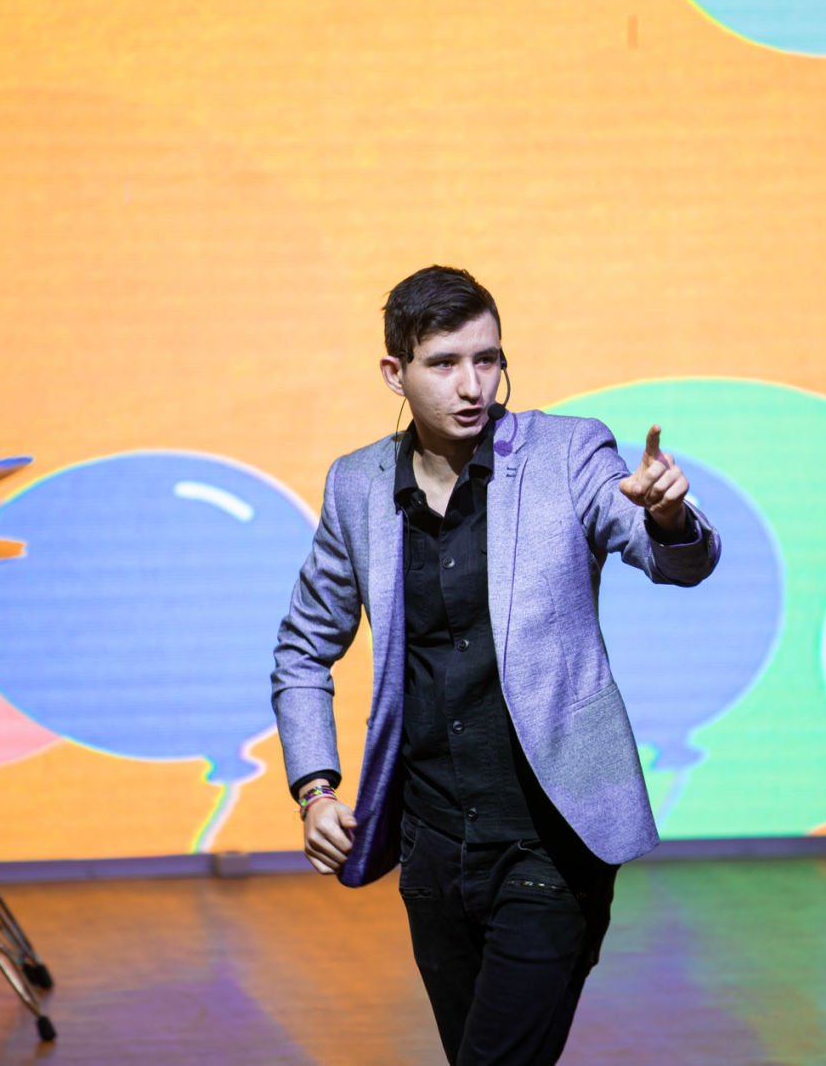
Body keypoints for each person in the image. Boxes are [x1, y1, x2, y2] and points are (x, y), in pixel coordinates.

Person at [269, 264, 720, 1065]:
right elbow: (303, 646)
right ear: (395, 373)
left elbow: (672, 556)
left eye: (488, 358)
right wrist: (315, 787)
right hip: (432, 847)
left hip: (551, 840)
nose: (473, 384)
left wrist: (669, 514)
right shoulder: (358, 485)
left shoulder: (567, 452)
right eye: (445, 363)